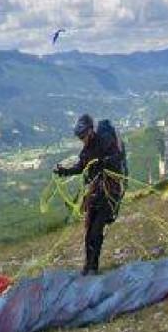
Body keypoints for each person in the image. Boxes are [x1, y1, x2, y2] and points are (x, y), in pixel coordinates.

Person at [54, 114, 125, 276]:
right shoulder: (86, 150)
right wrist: (64, 171)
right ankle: (88, 266)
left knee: (96, 231)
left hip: (108, 192)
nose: (81, 140)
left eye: (83, 136)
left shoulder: (105, 141)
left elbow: (117, 157)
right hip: (93, 195)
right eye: (79, 137)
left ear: (90, 131)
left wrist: (103, 162)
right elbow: (80, 167)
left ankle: (94, 266)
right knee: (88, 233)